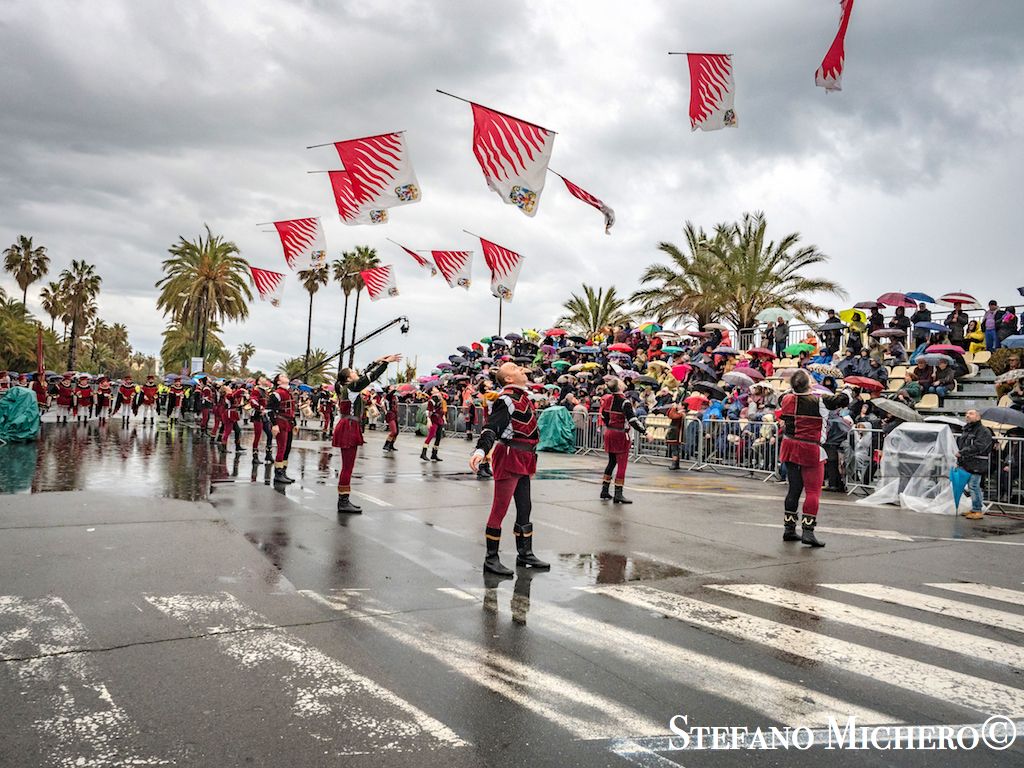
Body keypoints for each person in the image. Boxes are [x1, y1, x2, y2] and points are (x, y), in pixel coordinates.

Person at [470, 362, 550, 575]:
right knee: (500, 508)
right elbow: (491, 427)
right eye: (515, 368)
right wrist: (481, 450)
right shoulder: (505, 399)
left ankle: (525, 553)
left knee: (525, 506)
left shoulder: (523, 397)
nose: (521, 369)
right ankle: (491, 558)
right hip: (509, 455)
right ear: (508, 379)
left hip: (525, 456)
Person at [778, 369, 853, 547]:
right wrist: (848, 388)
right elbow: (842, 400)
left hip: (789, 445)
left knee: (794, 489)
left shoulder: (785, 399)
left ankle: (789, 529)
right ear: (809, 384)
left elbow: (788, 398)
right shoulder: (819, 400)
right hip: (810, 446)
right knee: (813, 491)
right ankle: (808, 531)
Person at [332, 354, 399, 513]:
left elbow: (364, 374)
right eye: (352, 372)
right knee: (347, 467)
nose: (355, 372)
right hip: (349, 426)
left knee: (347, 466)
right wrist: (385, 363)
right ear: (348, 378)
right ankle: (343, 501)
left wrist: (376, 361)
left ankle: (344, 499)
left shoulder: (347, 387)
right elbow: (370, 376)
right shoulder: (352, 387)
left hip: (348, 425)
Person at [598, 378, 645, 504]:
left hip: (609, 432)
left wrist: (610, 425)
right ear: (619, 386)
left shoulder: (608, 399)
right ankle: (618, 493)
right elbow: (632, 420)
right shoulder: (625, 402)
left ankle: (605, 489)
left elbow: (603, 416)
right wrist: (645, 431)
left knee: (611, 462)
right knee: (622, 464)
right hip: (620, 434)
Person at [957, 409, 993, 519]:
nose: (967, 415)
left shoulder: (983, 431)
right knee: (969, 486)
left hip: (977, 463)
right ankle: (974, 508)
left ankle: (977, 510)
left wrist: (962, 452)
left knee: (974, 485)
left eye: (971, 413)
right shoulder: (967, 430)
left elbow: (979, 446)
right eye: (966, 413)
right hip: (967, 463)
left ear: (978, 417)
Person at [267, 373, 296, 484]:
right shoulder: (277, 393)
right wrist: (274, 424)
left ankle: (283, 471)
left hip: (289, 422)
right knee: (281, 447)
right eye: (282, 376)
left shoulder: (289, 392)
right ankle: (278, 473)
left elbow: (292, 409)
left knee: (287, 448)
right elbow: (269, 410)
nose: (286, 376)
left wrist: (295, 423)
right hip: (280, 422)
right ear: (278, 382)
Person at [421, 385, 446, 462]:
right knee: (431, 436)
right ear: (432, 391)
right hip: (434, 419)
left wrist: (444, 417)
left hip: (440, 419)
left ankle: (434, 454)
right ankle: (423, 453)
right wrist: (428, 420)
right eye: (434, 388)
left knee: (438, 437)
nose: (436, 389)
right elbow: (428, 411)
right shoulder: (431, 400)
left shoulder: (440, 398)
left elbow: (441, 409)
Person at [382, 385, 400, 453]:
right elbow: (391, 394)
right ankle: (386, 444)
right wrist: (395, 389)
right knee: (394, 431)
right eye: (391, 387)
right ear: (388, 390)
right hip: (390, 414)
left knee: (397, 432)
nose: (393, 387)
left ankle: (391, 445)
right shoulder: (388, 396)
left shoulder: (395, 396)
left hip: (395, 414)